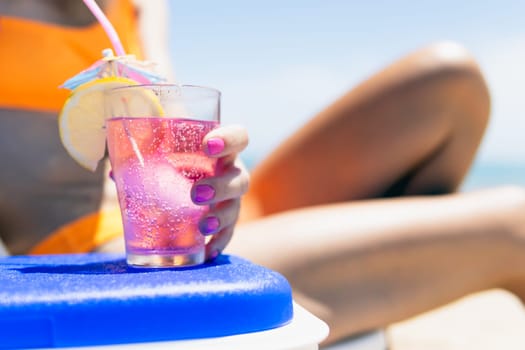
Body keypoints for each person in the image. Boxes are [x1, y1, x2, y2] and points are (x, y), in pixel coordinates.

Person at [1, 0, 525, 348]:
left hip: (195, 226)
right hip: (113, 261)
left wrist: (218, 171)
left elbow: (168, 112)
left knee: (449, 84)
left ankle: (389, 285)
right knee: (516, 227)